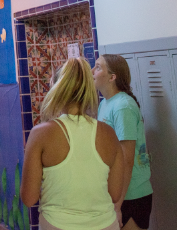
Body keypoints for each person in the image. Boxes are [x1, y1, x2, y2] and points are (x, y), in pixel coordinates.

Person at [21, 58, 125, 230]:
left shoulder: (40, 134)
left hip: (57, 225)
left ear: (56, 88)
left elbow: (28, 198)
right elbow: (114, 194)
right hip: (105, 225)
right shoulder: (109, 134)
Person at [93, 55, 153, 230]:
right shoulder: (105, 104)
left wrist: (118, 205)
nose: (93, 72)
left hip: (132, 195)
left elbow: (127, 159)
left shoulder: (123, 107)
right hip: (115, 192)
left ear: (112, 77)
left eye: (98, 67)